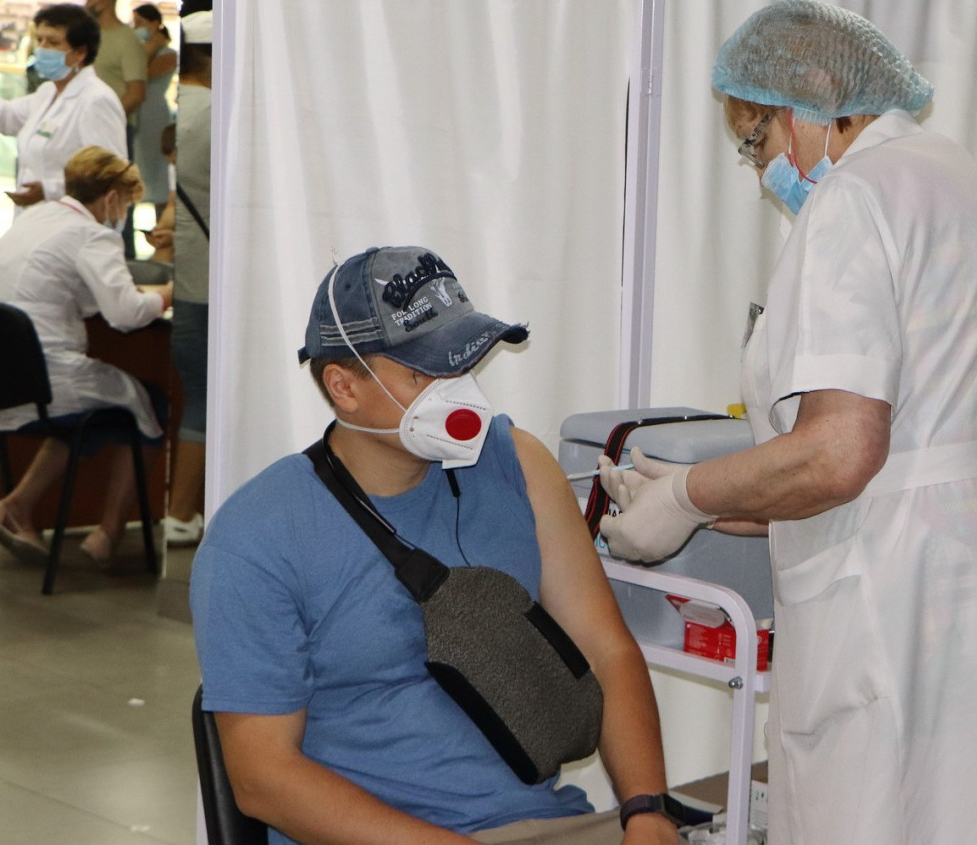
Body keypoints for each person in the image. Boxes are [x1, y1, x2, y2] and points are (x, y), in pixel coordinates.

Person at [597, 0, 977, 844]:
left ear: (810, 102)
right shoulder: (962, 182)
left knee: (890, 807)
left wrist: (684, 497)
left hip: (902, 585)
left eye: (755, 141)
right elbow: (914, 443)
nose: (761, 171)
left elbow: (840, 453)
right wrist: (705, 497)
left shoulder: (853, 198)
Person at [190, 246, 681, 845]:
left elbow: (604, 650)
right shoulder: (258, 536)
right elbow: (263, 778)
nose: (459, 388)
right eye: (426, 371)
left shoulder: (517, 465)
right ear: (344, 386)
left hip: (548, 822)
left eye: (464, 360)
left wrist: (648, 811)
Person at [0, 146, 172, 567]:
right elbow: (125, 315)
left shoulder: (36, 217)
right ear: (111, 197)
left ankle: (15, 506)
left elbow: (67, 290)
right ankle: (107, 534)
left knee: (93, 413)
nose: (123, 213)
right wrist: (166, 294)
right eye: (126, 203)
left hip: (5, 381)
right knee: (151, 406)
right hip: (50, 379)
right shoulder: (93, 235)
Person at [159, 11, 212, 545]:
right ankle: (180, 512)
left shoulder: (181, 110)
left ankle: (179, 510)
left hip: (187, 278)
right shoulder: (221, 112)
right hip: (216, 285)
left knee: (195, 390)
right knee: (206, 397)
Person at [0, 4, 127, 207]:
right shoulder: (48, 92)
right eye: (40, 40)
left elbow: (110, 173)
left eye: (53, 42)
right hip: (36, 216)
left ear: (80, 53)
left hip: (72, 217)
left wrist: (49, 190)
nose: (42, 48)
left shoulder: (96, 100)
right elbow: (8, 115)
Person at [84, 0, 148, 257]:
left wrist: (109, 121)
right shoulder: (90, 38)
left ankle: (123, 259)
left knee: (117, 198)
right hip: (86, 132)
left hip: (115, 133)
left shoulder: (127, 40)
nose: (86, 3)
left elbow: (136, 92)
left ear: (103, 2)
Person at [130, 3, 177, 224]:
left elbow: (141, 74)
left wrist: (151, 48)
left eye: (139, 22)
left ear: (154, 24)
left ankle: (162, 221)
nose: (135, 27)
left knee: (157, 169)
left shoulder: (170, 54)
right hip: (136, 112)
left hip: (154, 114)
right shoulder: (138, 51)